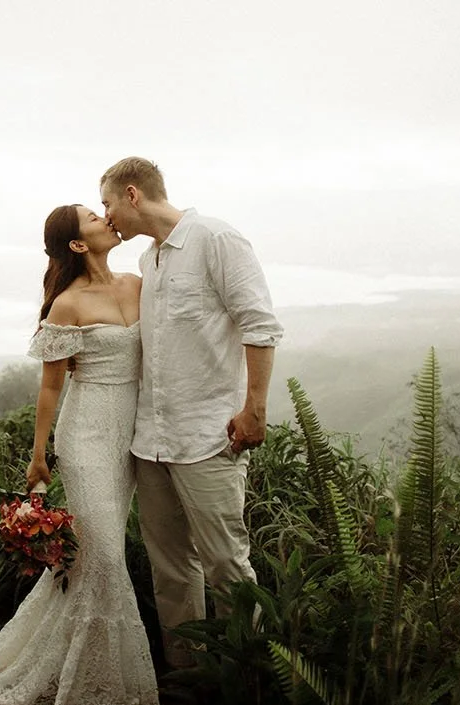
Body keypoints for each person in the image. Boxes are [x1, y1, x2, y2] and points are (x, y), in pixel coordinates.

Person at [0, 205, 158, 705]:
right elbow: (51, 386)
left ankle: (87, 666)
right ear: (78, 244)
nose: (107, 219)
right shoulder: (67, 305)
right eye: (94, 218)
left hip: (131, 435)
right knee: (104, 555)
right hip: (86, 433)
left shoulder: (138, 284)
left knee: (97, 554)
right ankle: (91, 677)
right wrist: (38, 455)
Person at [99, 155, 283, 668]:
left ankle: (251, 680)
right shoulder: (148, 261)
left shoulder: (216, 239)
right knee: (171, 571)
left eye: (107, 203)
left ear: (132, 194)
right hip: (150, 442)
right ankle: (190, 679)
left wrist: (255, 409)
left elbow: (260, 326)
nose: (107, 215)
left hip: (208, 436)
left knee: (227, 565)